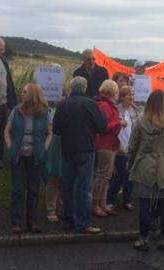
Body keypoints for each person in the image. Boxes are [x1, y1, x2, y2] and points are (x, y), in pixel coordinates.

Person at [129, 91, 164, 252]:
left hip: (144, 166)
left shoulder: (140, 121)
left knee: (144, 205)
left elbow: (132, 146)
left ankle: (144, 239)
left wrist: (130, 163)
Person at [53, 76, 107, 234]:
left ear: (71, 88)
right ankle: (83, 223)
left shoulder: (63, 105)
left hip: (68, 149)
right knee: (84, 188)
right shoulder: (91, 104)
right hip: (86, 149)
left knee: (68, 187)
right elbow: (102, 126)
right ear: (84, 88)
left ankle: (68, 221)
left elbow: (56, 129)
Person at [5, 83, 52, 233]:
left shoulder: (44, 112)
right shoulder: (16, 111)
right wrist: (10, 147)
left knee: (33, 190)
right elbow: (7, 131)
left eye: (25, 92)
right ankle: (16, 222)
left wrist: (44, 148)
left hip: (36, 157)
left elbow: (50, 132)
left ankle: (32, 222)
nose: (22, 94)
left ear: (32, 95)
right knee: (18, 191)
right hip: (18, 157)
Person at [92, 80, 126, 217]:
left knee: (107, 175)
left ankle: (103, 203)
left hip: (110, 143)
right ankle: (95, 204)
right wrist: (119, 122)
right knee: (102, 175)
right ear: (113, 91)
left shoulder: (106, 104)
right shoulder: (105, 105)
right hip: (105, 143)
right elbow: (103, 126)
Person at [107, 86, 143, 211]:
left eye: (133, 94)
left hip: (134, 147)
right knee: (120, 175)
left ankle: (127, 200)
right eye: (129, 95)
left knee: (130, 175)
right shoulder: (116, 109)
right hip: (120, 147)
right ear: (122, 97)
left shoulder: (137, 110)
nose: (132, 97)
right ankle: (110, 200)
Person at [0, 36, 18, 169]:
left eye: (2, 50)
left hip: (2, 103)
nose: (0, 52)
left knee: (0, 132)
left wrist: (12, 103)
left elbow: (9, 82)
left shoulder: (3, 60)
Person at [45, 95, 65, 222]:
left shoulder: (67, 109)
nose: (60, 97)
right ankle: (51, 208)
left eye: (63, 95)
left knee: (64, 178)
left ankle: (61, 205)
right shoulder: (45, 111)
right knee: (52, 179)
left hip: (65, 146)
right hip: (51, 148)